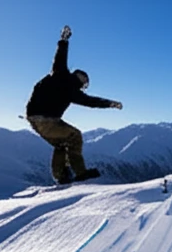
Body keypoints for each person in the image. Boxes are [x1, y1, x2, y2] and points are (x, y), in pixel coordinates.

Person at [26, 25, 122, 184]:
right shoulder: (68, 83)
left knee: (62, 143)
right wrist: (110, 104)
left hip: (34, 119)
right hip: (47, 120)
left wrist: (63, 40)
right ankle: (80, 172)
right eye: (84, 82)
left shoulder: (60, 74)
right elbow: (91, 102)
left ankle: (61, 176)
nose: (84, 85)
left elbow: (60, 57)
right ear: (80, 78)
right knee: (75, 136)